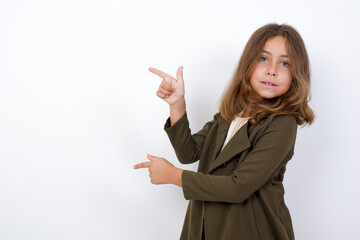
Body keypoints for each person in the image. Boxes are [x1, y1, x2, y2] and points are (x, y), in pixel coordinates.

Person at [134, 23, 314, 240]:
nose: (272, 70)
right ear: (248, 63)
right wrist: (177, 104)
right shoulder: (230, 114)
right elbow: (188, 153)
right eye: (263, 58)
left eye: (285, 63)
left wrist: (173, 175)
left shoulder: (281, 123)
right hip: (203, 226)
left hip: (248, 230)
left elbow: (238, 187)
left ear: (297, 74)